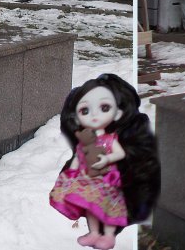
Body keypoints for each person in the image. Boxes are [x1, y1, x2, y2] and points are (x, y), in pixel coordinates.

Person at [50, 74, 160, 249]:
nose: (94, 116)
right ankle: (95, 234)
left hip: (111, 182)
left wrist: (108, 159)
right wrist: (71, 172)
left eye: (104, 107)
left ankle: (107, 236)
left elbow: (125, 155)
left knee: (109, 210)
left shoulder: (118, 137)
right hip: (90, 180)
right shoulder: (83, 134)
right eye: (85, 110)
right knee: (91, 208)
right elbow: (78, 154)